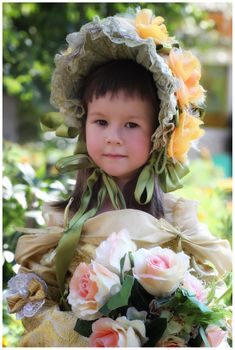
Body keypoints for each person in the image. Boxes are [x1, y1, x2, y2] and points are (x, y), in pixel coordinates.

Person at [6, 8, 232, 347]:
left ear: (160, 133)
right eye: (101, 122)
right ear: (83, 125)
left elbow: (207, 285)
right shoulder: (65, 220)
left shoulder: (174, 218)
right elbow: (37, 298)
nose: (113, 136)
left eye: (131, 124)